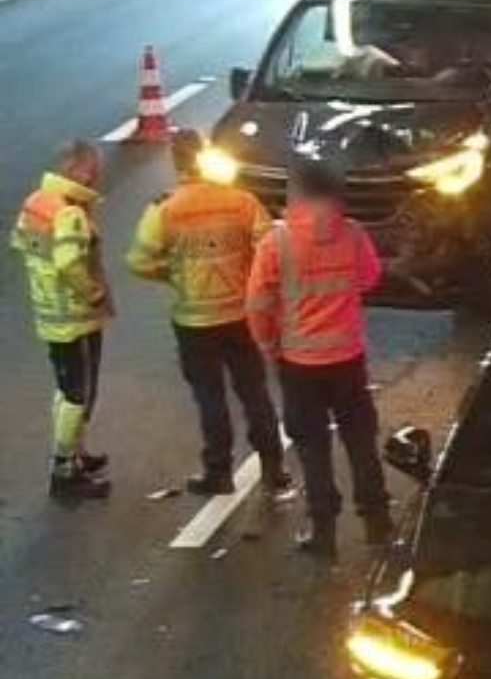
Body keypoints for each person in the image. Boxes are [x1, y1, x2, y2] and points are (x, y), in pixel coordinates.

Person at [127, 130, 292, 499]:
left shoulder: (165, 208)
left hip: (194, 320)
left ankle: (218, 471)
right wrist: (249, 277)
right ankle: (273, 466)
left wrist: (172, 275)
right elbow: (270, 251)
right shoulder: (241, 201)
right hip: (240, 315)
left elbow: (138, 261)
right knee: (253, 391)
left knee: (209, 396)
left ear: (176, 162)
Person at [246, 159, 391, 557]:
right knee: (360, 440)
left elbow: (257, 303)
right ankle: (377, 521)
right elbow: (370, 278)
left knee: (312, 447)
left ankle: (323, 528)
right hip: (347, 357)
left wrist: (269, 344)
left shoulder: (276, 243)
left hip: (300, 362)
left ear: (298, 193)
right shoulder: (354, 233)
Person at [11, 140, 114, 498]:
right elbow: (70, 263)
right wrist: (94, 293)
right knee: (78, 394)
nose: (98, 176)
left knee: (67, 387)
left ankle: (75, 453)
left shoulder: (36, 203)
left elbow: (21, 244)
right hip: (74, 316)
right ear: (79, 170)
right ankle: (65, 469)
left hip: (49, 312)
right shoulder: (69, 212)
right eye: (94, 170)